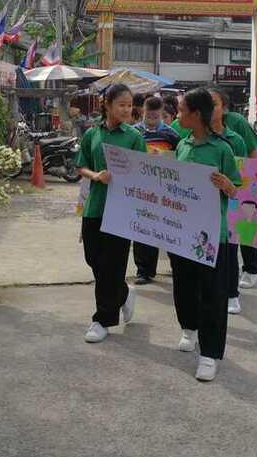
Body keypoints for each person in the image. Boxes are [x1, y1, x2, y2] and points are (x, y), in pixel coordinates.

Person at [171, 87, 241, 382]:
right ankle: (189, 329)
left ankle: (210, 354)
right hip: (181, 231)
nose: (177, 115)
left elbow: (236, 191)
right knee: (184, 285)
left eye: (181, 110)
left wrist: (226, 185)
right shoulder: (182, 145)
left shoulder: (222, 149)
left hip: (213, 235)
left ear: (196, 114)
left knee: (213, 294)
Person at [75, 84, 147, 342]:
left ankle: (102, 319)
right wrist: (96, 176)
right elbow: (81, 166)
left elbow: (144, 172)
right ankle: (124, 293)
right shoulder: (92, 134)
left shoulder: (134, 137)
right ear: (107, 105)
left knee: (113, 264)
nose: (127, 110)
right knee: (93, 259)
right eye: (122, 105)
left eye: (130, 105)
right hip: (95, 206)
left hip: (121, 210)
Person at [206, 89, 248, 315]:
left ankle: (232, 294)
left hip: (228, 206)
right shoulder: (188, 137)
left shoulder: (235, 140)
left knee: (230, 251)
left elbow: (244, 174)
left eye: (215, 104)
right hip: (201, 207)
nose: (210, 108)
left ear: (224, 108)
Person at [132, 97, 180, 284]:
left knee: (169, 229)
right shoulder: (134, 132)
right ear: (142, 112)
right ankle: (144, 271)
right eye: (148, 116)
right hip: (141, 189)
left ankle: (177, 267)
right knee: (143, 230)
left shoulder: (171, 134)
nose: (151, 120)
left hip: (165, 190)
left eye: (156, 117)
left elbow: (179, 159)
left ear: (162, 114)